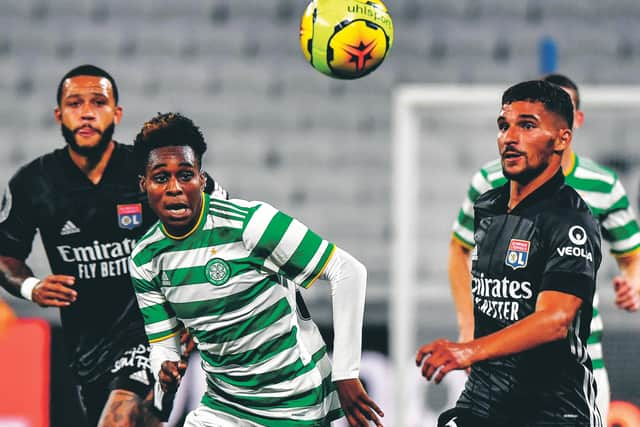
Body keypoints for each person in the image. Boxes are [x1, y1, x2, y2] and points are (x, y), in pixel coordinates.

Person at [0, 65, 228, 426]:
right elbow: (6, 255)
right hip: (87, 347)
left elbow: (219, 221)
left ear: (116, 113)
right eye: (75, 103)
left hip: (153, 328)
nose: (87, 112)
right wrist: (31, 286)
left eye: (99, 102)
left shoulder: (152, 169)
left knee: (117, 419)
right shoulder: (34, 183)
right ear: (59, 114)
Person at [129, 112, 384, 427]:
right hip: (224, 405)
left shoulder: (250, 224)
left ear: (202, 179)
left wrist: (346, 374)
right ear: (144, 185)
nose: (174, 188)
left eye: (185, 175)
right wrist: (164, 368)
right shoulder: (144, 258)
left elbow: (348, 271)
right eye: (160, 177)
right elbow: (164, 346)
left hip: (295, 403)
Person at [448, 73, 640, 421]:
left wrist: (634, 282)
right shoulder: (490, 183)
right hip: (498, 364)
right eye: (508, 124)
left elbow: (632, 255)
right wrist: (467, 325)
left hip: (574, 362)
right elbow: (458, 247)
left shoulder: (601, 187)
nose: (514, 136)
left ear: (572, 123)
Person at [417, 80, 603, 426]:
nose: (509, 137)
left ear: (562, 139)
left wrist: (467, 350)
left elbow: (555, 321)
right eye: (504, 125)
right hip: (484, 400)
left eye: (527, 125)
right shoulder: (488, 205)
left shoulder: (570, 220)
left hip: (552, 409)